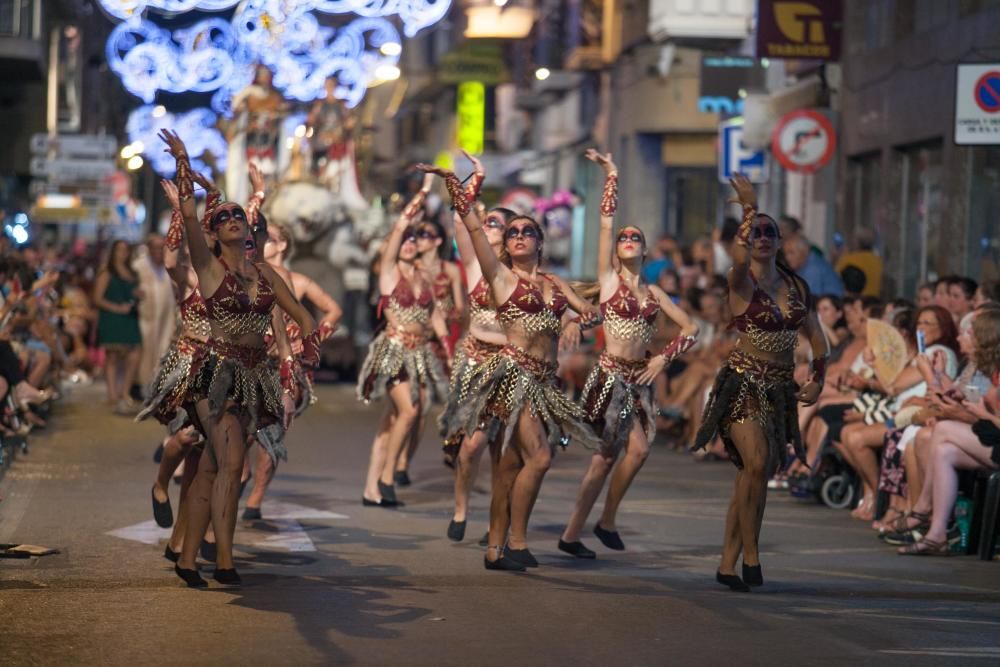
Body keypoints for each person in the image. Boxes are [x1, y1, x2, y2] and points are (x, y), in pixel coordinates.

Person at [421, 160, 603, 572]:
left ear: (541, 242)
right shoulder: (499, 277)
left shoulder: (555, 284)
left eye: (527, 231)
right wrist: (454, 182)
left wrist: (582, 317)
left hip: (544, 382)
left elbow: (582, 308)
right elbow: (469, 225)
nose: (518, 236)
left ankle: (495, 547)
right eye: (512, 231)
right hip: (512, 377)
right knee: (539, 458)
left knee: (510, 465)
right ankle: (518, 542)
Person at [159, 129, 318, 588]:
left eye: (237, 214)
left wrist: (305, 352)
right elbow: (190, 217)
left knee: (212, 465)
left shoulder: (267, 275)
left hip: (256, 377)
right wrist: (185, 167)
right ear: (215, 232)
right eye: (222, 216)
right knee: (232, 463)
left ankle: (188, 558)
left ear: (250, 228)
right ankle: (225, 561)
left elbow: (302, 318)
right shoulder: (209, 270)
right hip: (215, 375)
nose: (230, 218)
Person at [557, 150, 698, 559]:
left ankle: (604, 521)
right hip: (610, 379)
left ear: (645, 248)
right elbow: (605, 225)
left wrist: (662, 358)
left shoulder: (654, 294)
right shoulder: (608, 280)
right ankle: (576, 533)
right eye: (624, 238)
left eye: (635, 237)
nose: (628, 240)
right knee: (604, 458)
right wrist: (612, 175)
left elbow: (691, 328)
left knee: (636, 452)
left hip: (641, 380)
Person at [693, 175, 829, 592]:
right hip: (743, 385)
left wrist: (818, 378)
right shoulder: (740, 282)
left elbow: (818, 338)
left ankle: (727, 564)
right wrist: (748, 211)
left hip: (780, 391)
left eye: (771, 232)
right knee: (755, 463)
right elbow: (735, 260)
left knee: (758, 472)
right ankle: (752, 554)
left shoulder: (797, 286)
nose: (763, 238)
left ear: (782, 240)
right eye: (756, 233)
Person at [242, 218, 343, 520]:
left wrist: (309, 339)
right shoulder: (249, 273)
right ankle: (241, 473)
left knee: (270, 433)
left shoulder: (298, 281)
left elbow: (333, 310)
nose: (261, 241)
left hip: (286, 367)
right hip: (253, 362)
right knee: (242, 428)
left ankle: (255, 500)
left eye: (269, 237)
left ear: (283, 244)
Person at [358, 180, 450, 508]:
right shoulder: (389, 270)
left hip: (421, 351)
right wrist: (422, 195)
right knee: (409, 411)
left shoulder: (423, 277)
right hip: (394, 350)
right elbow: (398, 229)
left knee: (395, 419)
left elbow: (435, 314)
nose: (409, 244)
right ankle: (387, 477)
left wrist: (447, 348)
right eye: (405, 241)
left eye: (414, 240)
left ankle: (371, 488)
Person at [438, 153, 512, 542]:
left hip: (512, 367)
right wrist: (475, 177)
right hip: (475, 362)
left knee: (505, 449)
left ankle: (497, 523)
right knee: (471, 447)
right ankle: (461, 507)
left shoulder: (521, 275)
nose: (490, 226)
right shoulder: (473, 265)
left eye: (499, 222)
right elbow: (459, 220)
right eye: (488, 221)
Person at [896, 307, 1000, 555]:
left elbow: (979, 411)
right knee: (944, 451)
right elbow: (963, 400)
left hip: (995, 441)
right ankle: (937, 534)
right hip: (990, 436)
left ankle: (922, 508)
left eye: (970, 333)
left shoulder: (991, 372)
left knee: (940, 430)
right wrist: (940, 379)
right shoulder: (983, 369)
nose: (961, 337)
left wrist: (982, 413)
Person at [391, 215, 466, 486]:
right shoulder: (411, 267)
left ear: (437, 240)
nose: (420, 239)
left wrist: (448, 316)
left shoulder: (451, 270)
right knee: (416, 406)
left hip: (442, 340)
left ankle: (449, 445)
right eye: (417, 234)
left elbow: (461, 308)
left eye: (425, 234)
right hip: (416, 341)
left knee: (445, 403)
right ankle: (400, 463)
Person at [93, 240, 143, 415]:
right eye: (120, 250)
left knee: (134, 353)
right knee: (113, 356)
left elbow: (133, 294)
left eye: (126, 250)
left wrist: (137, 295)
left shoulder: (132, 273)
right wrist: (117, 308)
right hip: (113, 317)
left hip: (129, 317)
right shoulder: (106, 272)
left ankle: (125, 392)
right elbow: (97, 299)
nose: (123, 253)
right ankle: (112, 395)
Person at [134, 233, 177, 395]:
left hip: (166, 319)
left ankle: (158, 387)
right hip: (145, 319)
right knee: (145, 353)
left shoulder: (169, 266)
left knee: (163, 350)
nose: (159, 251)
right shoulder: (138, 266)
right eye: (155, 247)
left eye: (162, 247)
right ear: (149, 248)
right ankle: (142, 386)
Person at [835, 228, 883, 297]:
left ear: (857, 242)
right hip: (872, 300)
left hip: (854, 300)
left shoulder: (848, 259)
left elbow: (835, 277)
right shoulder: (878, 261)